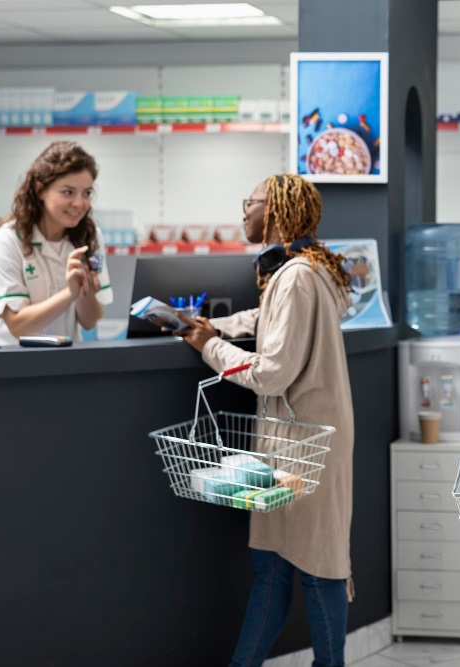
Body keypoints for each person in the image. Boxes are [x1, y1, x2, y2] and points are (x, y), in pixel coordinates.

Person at [176, 174, 355, 667]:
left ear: (274, 210)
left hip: (303, 443)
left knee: (316, 566)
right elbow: (269, 320)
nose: (244, 212)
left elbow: (273, 373)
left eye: (249, 203)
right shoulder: (304, 270)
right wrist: (219, 326)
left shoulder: (296, 276)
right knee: (272, 563)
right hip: (299, 439)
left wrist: (207, 346)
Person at [0, 141, 112, 346]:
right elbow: (17, 325)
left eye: (87, 193)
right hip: (12, 361)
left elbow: (89, 321)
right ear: (40, 190)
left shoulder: (90, 236)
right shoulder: (7, 241)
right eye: (68, 192)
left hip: (64, 360)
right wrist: (69, 293)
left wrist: (84, 292)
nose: (80, 203)